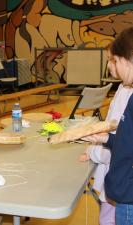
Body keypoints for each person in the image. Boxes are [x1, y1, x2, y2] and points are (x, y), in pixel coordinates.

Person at [82, 26, 133, 225]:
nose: (115, 67)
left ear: (128, 60)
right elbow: (128, 139)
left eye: (116, 61)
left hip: (128, 196)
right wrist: (107, 139)